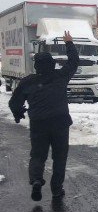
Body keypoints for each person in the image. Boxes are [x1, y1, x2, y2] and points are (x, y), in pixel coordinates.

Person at [9, 31, 79, 201]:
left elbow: (14, 102)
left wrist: (19, 114)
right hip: (60, 123)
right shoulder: (60, 76)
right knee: (60, 157)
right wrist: (69, 43)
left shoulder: (27, 82)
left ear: (36, 66)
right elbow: (73, 62)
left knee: (38, 155)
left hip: (39, 124)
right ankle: (56, 189)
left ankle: (36, 181)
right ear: (53, 64)